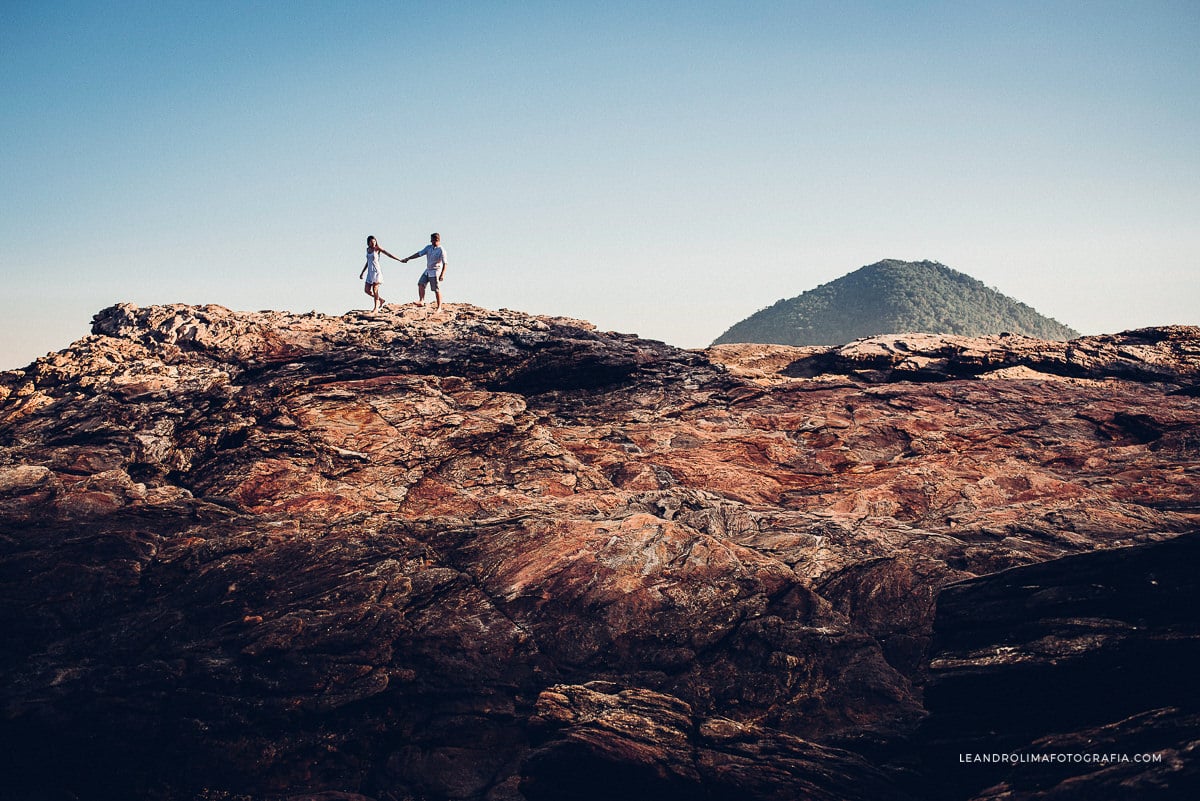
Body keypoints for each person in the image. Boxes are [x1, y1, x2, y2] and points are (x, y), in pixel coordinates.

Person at [401, 232, 448, 310]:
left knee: (436, 289)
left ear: (437, 240)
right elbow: (419, 254)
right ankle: (421, 301)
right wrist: (408, 258)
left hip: (435, 271)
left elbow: (445, 263)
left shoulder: (441, 250)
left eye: (433, 240)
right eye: (431, 240)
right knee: (421, 284)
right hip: (428, 270)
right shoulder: (428, 248)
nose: (432, 242)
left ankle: (439, 307)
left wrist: (442, 274)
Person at [359, 235, 402, 312]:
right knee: (367, 290)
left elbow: (388, 254)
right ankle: (380, 300)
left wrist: (399, 259)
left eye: (374, 241)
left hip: (376, 272)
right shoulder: (368, 249)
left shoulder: (377, 249)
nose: (373, 243)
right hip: (370, 273)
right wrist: (362, 272)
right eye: (371, 242)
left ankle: (376, 308)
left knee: (375, 289)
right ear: (368, 243)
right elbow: (368, 262)